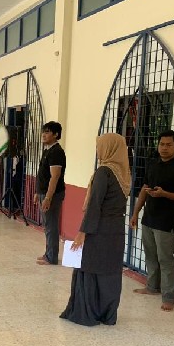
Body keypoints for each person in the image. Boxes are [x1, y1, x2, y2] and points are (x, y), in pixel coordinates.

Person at [60, 133, 131, 326]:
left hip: (99, 229)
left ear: (109, 148)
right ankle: (107, 314)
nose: (98, 150)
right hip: (116, 229)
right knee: (109, 270)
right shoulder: (124, 173)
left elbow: (95, 205)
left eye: (100, 146)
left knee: (90, 267)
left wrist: (82, 232)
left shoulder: (104, 172)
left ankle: (87, 312)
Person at [129, 130, 174, 311]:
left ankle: (169, 297)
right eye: (162, 144)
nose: (164, 148)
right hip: (148, 218)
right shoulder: (152, 164)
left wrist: (164, 194)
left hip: (165, 221)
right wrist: (135, 213)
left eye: (168, 145)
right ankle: (151, 287)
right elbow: (144, 189)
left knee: (165, 259)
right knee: (150, 255)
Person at [34, 121, 66, 265]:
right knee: (47, 225)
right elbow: (43, 174)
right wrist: (38, 192)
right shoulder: (48, 150)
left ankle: (51, 257)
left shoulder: (56, 152)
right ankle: (48, 253)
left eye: (47, 132)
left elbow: (55, 176)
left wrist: (48, 197)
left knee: (51, 225)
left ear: (56, 134)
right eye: (43, 131)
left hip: (52, 195)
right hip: (44, 193)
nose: (44, 135)